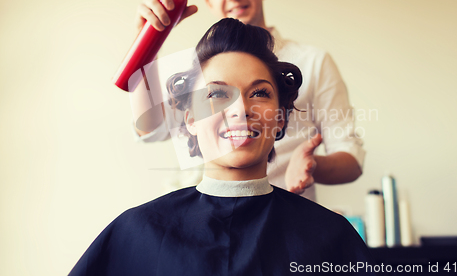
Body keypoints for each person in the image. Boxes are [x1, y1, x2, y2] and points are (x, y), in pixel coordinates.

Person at [69, 18, 373, 276]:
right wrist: (145, 44)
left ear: (280, 118)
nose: (241, 109)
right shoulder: (137, 233)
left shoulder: (329, 236)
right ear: (190, 120)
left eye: (259, 93)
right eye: (217, 94)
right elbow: (146, 123)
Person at [131, 0, 365, 201]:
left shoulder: (313, 62)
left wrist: (312, 165)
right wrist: (147, 41)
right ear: (208, 0)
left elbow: (351, 158)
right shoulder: (196, 68)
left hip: (283, 222)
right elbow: (149, 128)